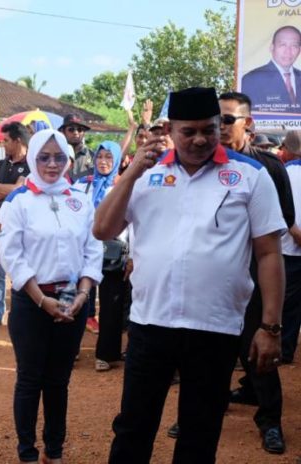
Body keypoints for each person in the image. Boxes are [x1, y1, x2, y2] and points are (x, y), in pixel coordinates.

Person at [94, 87, 286, 464]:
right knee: (133, 429)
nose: (200, 139)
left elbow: (268, 254)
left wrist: (270, 327)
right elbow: (102, 229)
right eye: (189, 131)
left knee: (200, 434)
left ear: (219, 126)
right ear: (171, 128)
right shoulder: (146, 175)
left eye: (208, 129)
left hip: (214, 328)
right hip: (151, 325)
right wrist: (132, 171)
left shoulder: (249, 175)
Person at [0, 128, 102, 463]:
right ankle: (27, 453)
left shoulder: (81, 200)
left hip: (74, 301)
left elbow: (93, 248)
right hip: (32, 302)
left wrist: (84, 294)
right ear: (33, 158)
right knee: (30, 380)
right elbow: (12, 256)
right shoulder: (18, 201)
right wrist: (42, 300)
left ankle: (54, 453)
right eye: (44, 157)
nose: (52, 164)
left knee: (58, 382)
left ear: (69, 160)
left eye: (59, 157)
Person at [217, 91, 296, 455]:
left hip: (255, 269)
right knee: (209, 348)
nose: (220, 126)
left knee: (259, 346)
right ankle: (202, 411)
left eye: (228, 119)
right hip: (214, 274)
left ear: (247, 123)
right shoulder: (204, 165)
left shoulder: (269, 167)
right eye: (216, 119)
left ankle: (270, 421)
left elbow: (286, 222)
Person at [75, 141, 128, 372]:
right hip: (82, 252)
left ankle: (106, 354)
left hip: (112, 254)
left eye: (109, 157)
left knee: (110, 305)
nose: (103, 161)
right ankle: (71, 349)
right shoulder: (81, 184)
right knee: (78, 300)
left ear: (116, 160)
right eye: (100, 157)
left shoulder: (123, 186)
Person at [0, 122, 30, 325]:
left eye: (7, 141)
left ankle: (21, 313)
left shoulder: (31, 164)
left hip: (20, 229)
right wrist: (8, 188)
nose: (4, 145)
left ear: (17, 141)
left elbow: (19, 191)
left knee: (21, 271)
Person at [279, 130, 301, 364]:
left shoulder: (284, 172)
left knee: (287, 304)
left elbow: (279, 209)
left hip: (289, 248)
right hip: (291, 246)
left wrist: (294, 232)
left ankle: (284, 349)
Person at [242, 25, 301, 112]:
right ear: (272, 47)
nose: (288, 51)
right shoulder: (252, 80)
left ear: (299, 50)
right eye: (283, 45)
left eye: (294, 46)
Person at [59, 113, 93, 181]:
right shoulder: (56, 156)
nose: (76, 132)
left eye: (80, 129)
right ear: (63, 131)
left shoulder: (94, 157)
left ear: (84, 133)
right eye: (71, 129)